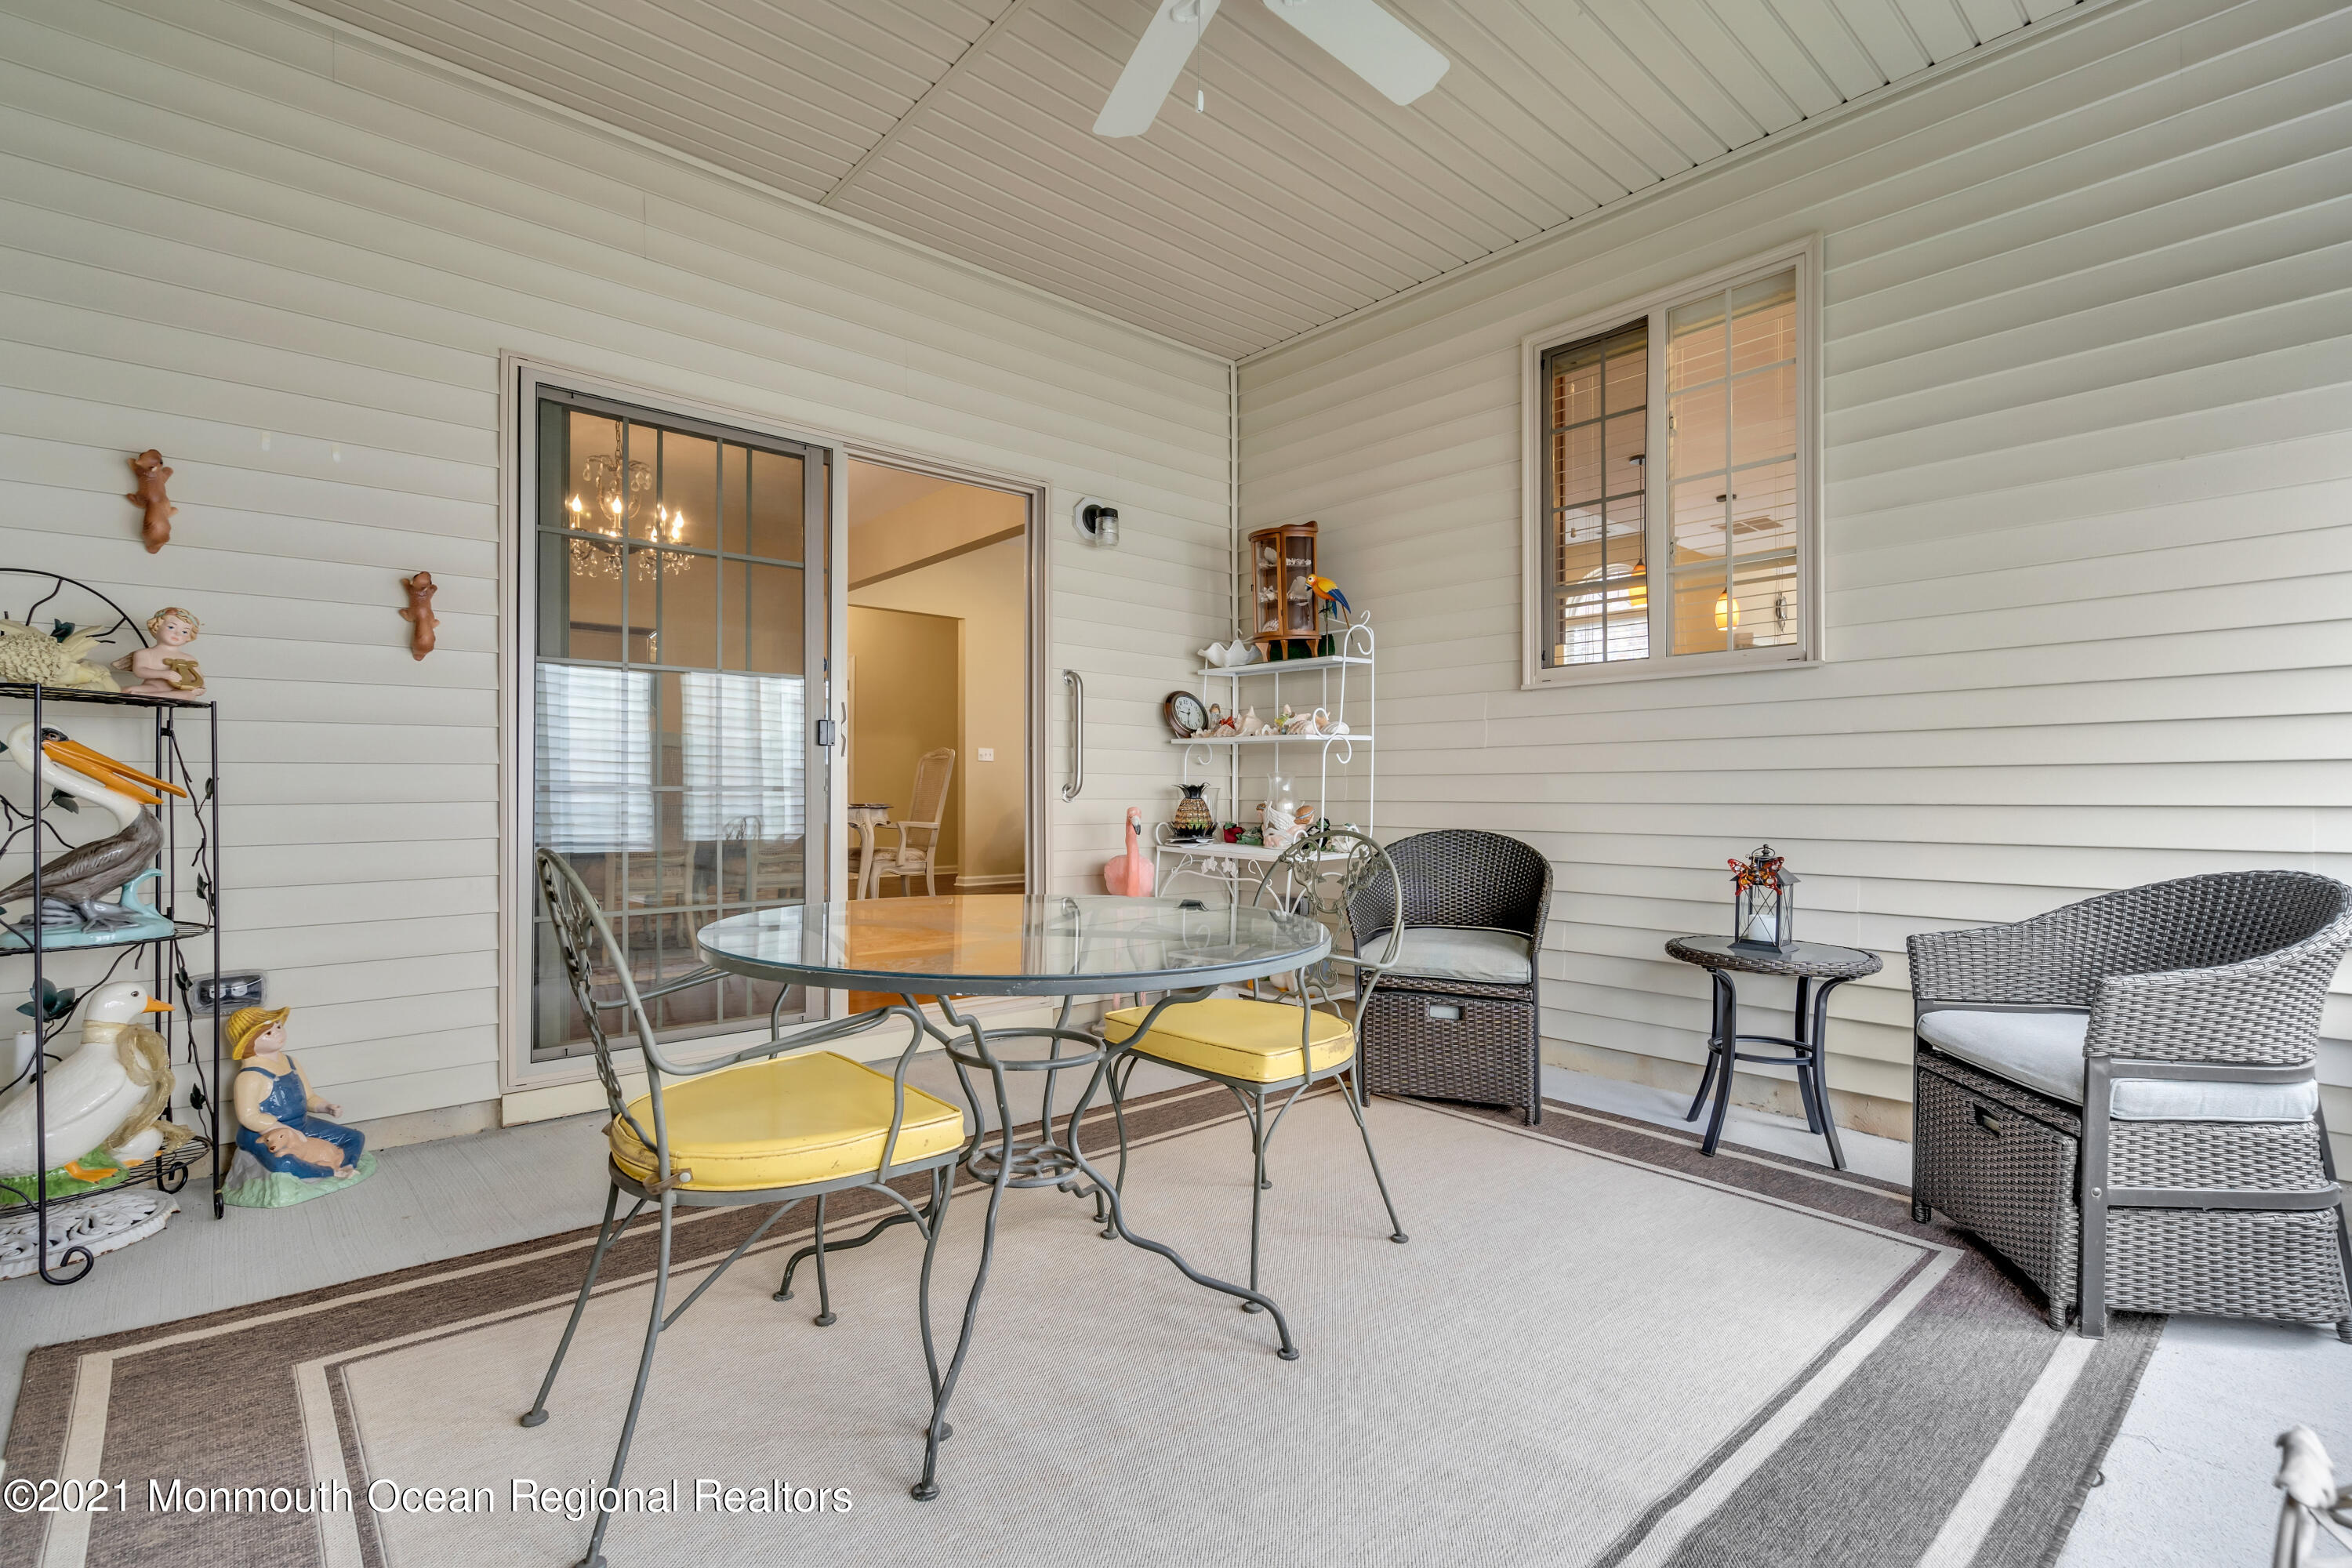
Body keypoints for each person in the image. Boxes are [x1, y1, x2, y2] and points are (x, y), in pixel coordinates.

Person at [227, 1006, 362, 1180]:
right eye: (268, 1033)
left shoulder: (291, 1063)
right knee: (283, 1163)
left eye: (278, 1027)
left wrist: (326, 1107)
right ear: (248, 1044)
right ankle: (331, 1172)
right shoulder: (250, 1076)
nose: (277, 1033)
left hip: (302, 1124)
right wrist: (284, 1130)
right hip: (265, 1134)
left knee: (354, 1137)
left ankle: (347, 1165)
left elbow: (308, 1098)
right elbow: (249, 1117)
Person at [112, 606, 205, 699]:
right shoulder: (144, 653)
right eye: (171, 627)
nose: (178, 634)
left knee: (188, 695)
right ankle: (147, 695)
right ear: (157, 627)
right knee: (127, 690)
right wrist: (164, 674)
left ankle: (146, 697)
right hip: (152, 687)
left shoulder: (189, 658)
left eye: (185, 632)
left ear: (189, 637)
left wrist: (201, 688)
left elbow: (197, 678)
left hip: (176, 690)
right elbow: (140, 671)